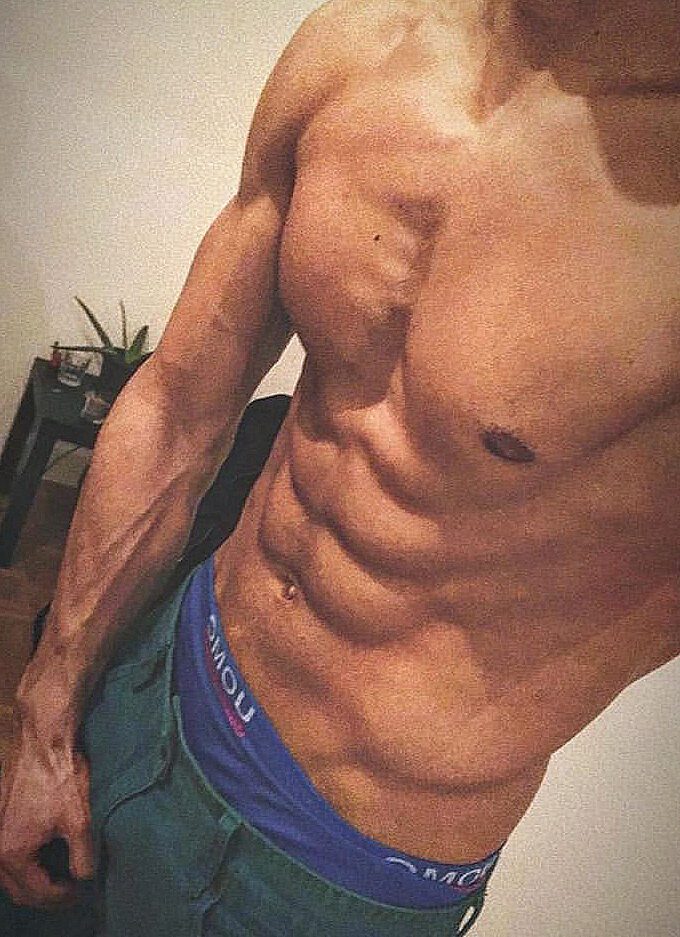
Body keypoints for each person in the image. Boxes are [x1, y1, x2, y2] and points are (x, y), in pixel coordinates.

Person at [1, 0, 679, 933]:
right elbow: (177, 408)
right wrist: (46, 706)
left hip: (328, 870)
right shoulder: (362, 44)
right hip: (150, 680)